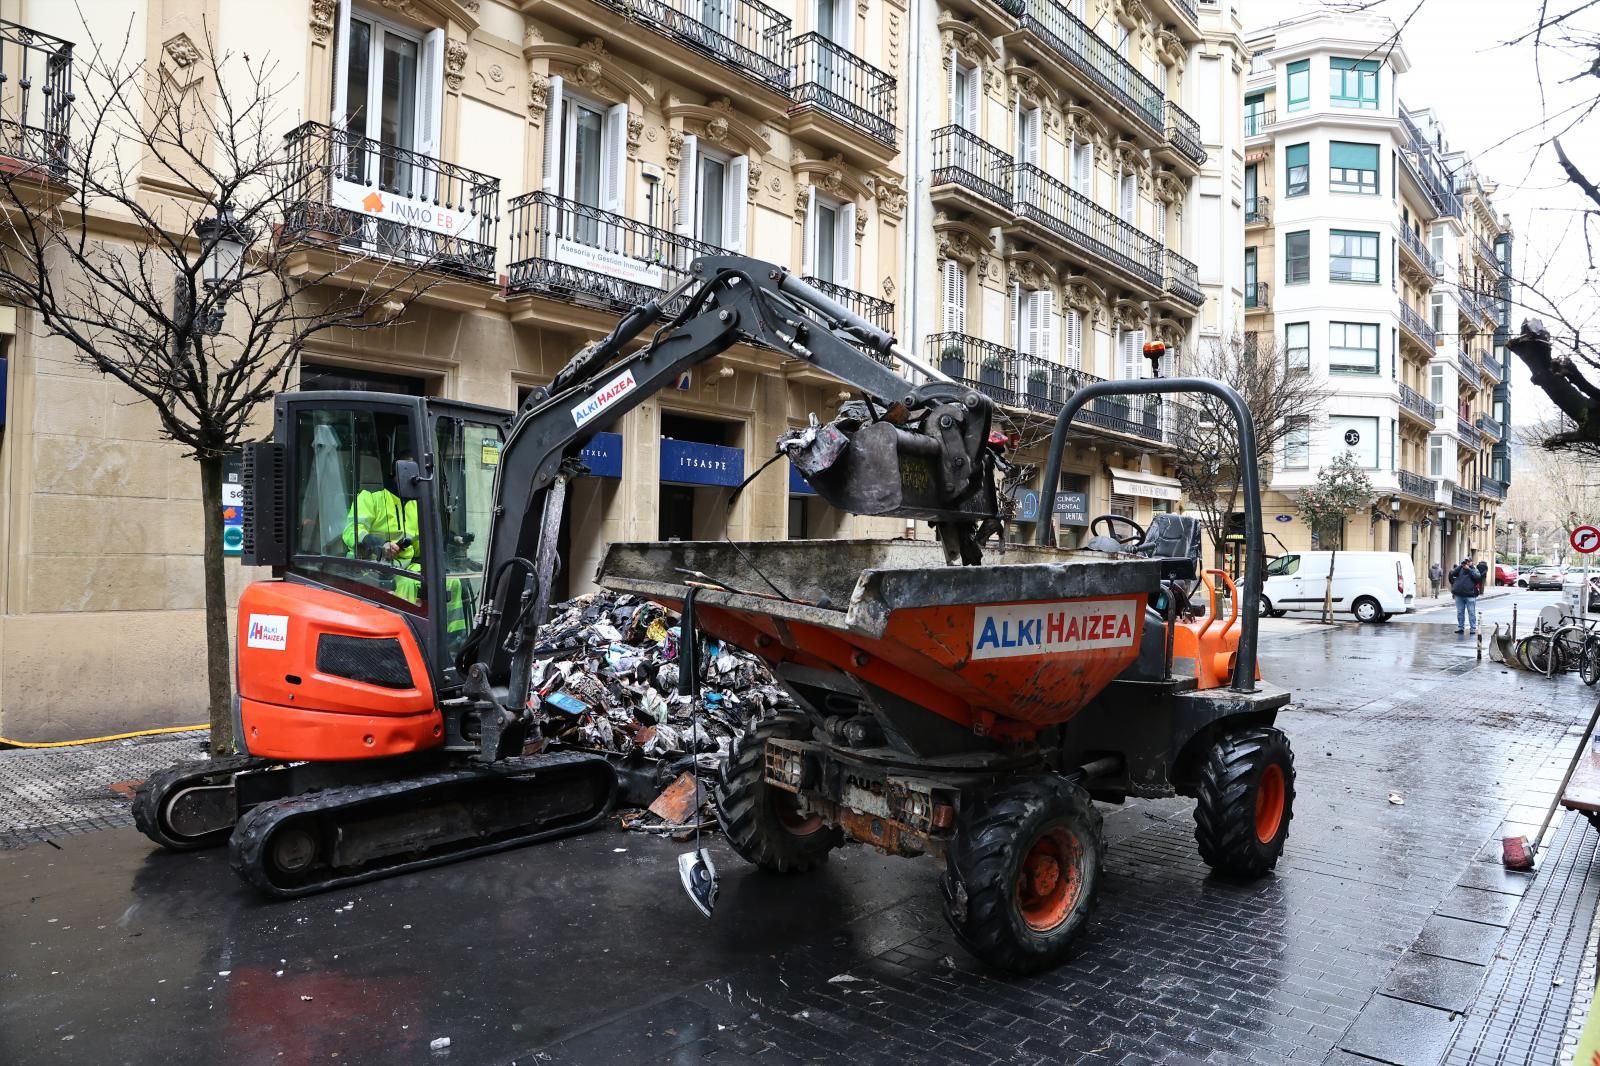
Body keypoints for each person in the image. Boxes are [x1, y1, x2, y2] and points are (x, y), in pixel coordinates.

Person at [1449, 556, 1482, 635]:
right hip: (1459, 595)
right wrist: (1461, 566)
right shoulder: (1460, 569)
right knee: (1460, 612)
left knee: (1471, 612)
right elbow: (1452, 573)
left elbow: (1477, 577)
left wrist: (1469, 569)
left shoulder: (1474, 569)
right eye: (1465, 561)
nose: (1466, 563)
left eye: (1468, 561)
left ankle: (1473, 628)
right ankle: (1460, 627)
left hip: (1470, 595)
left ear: (1471, 562)